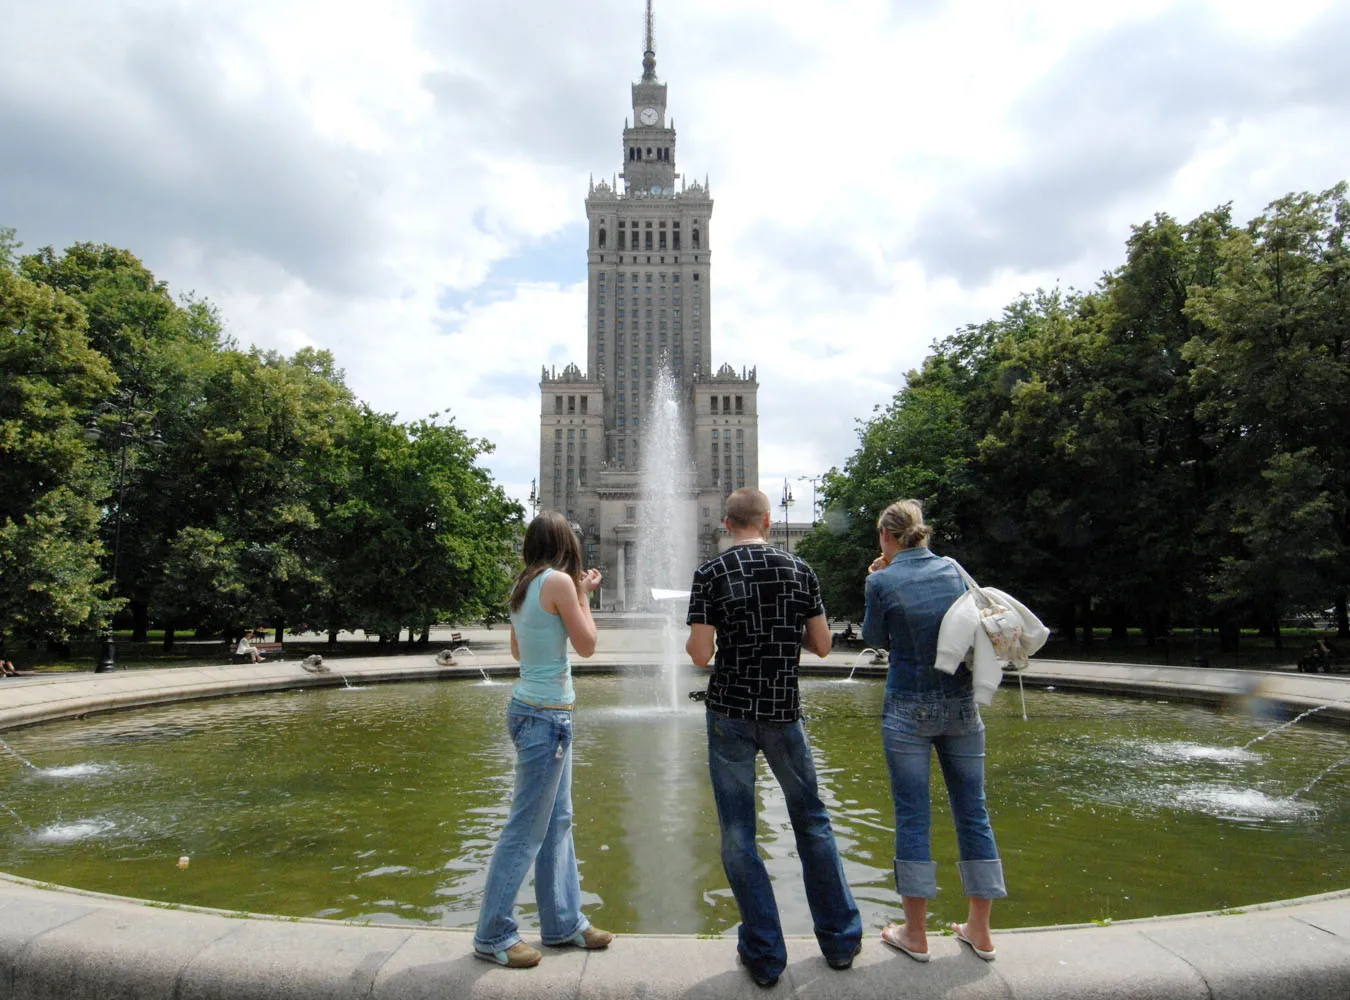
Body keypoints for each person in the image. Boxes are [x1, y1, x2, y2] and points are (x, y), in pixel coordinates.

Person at [686, 488, 862, 988]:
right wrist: (790, 633)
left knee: (739, 833)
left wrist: (715, 633)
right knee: (813, 823)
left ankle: (764, 953)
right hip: (784, 710)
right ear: (766, 520)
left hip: (730, 713)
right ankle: (841, 941)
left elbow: (700, 655)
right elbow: (824, 645)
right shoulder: (799, 569)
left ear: (727, 522)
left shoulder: (710, 573)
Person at [862, 499, 1005, 963]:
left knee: (912, 817)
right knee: (973, 812)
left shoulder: (881, 580)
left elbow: (874, 639)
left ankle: (915, 933)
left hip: (907, 708)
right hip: (962, 706)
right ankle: (979, 931)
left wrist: (877, 578)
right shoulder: (953, 571)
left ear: (887, 535)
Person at [473, 511, 613, 969]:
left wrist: (575, 595)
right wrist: (585, 597)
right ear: (566, 544)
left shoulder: (524, 584)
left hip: (532, 710)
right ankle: (493, 932)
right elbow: (588, 645)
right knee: (527, 828)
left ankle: (563, 924)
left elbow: (518, 650)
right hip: (546, 718)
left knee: (557, 823)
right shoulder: (558, 582)